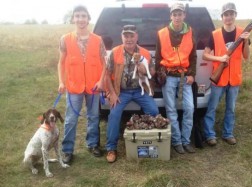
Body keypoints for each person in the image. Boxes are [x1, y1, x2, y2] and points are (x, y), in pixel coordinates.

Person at [57, 5, 107, 164]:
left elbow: (105, 63)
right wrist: (61, 81)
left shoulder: (98, 40)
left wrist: (101, 81)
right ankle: (67, 150)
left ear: (88, 18)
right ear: (73, 18)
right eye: (77, 16)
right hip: (73, 86)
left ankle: (92, 144)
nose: (80, 19)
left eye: (83, 16)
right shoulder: (65, 39)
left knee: (94, 116)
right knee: (71, 119)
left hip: (93, 86)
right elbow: (61, 62)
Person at [105, 24, 159, 163]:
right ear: (121, 37)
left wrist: (143, 69)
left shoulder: (145, 53)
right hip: (121, 91)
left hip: (140, 90)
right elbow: (106, 75)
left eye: (131, 36)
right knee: (114, 114)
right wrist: (112, 93)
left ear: (137, 37)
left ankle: (152, 141)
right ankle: (111, 148)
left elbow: (152, 72)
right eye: (126, 36)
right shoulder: (114, 52)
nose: (129, 39)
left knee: (154, 111)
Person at [203, 2, 250, 146]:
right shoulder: (214, 34)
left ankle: (228, 133)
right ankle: (210, 135)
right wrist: (219, 58)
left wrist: (246, 40)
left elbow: (246, 56)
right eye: (226, 14)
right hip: (219, 79)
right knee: (212, 108)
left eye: (231, 14)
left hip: (234, 79)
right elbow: (205, 55)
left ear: (235, 15)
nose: (228, 17)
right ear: (222, 17)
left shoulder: (242, 33)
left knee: (231, 109)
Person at [155, 2, 196, 154]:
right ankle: (177, 142)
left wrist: (192, 73)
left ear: (184, 15)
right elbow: (158, 57)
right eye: (175, 14)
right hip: (169, 77)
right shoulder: (162, 33)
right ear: (170, 16)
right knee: (171, 110)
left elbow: (193, 56)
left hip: (185, 77)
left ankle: (186, 141)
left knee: (189, 108)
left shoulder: (190, 32)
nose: (177, 17)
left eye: (180, 14)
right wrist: (160, 74)